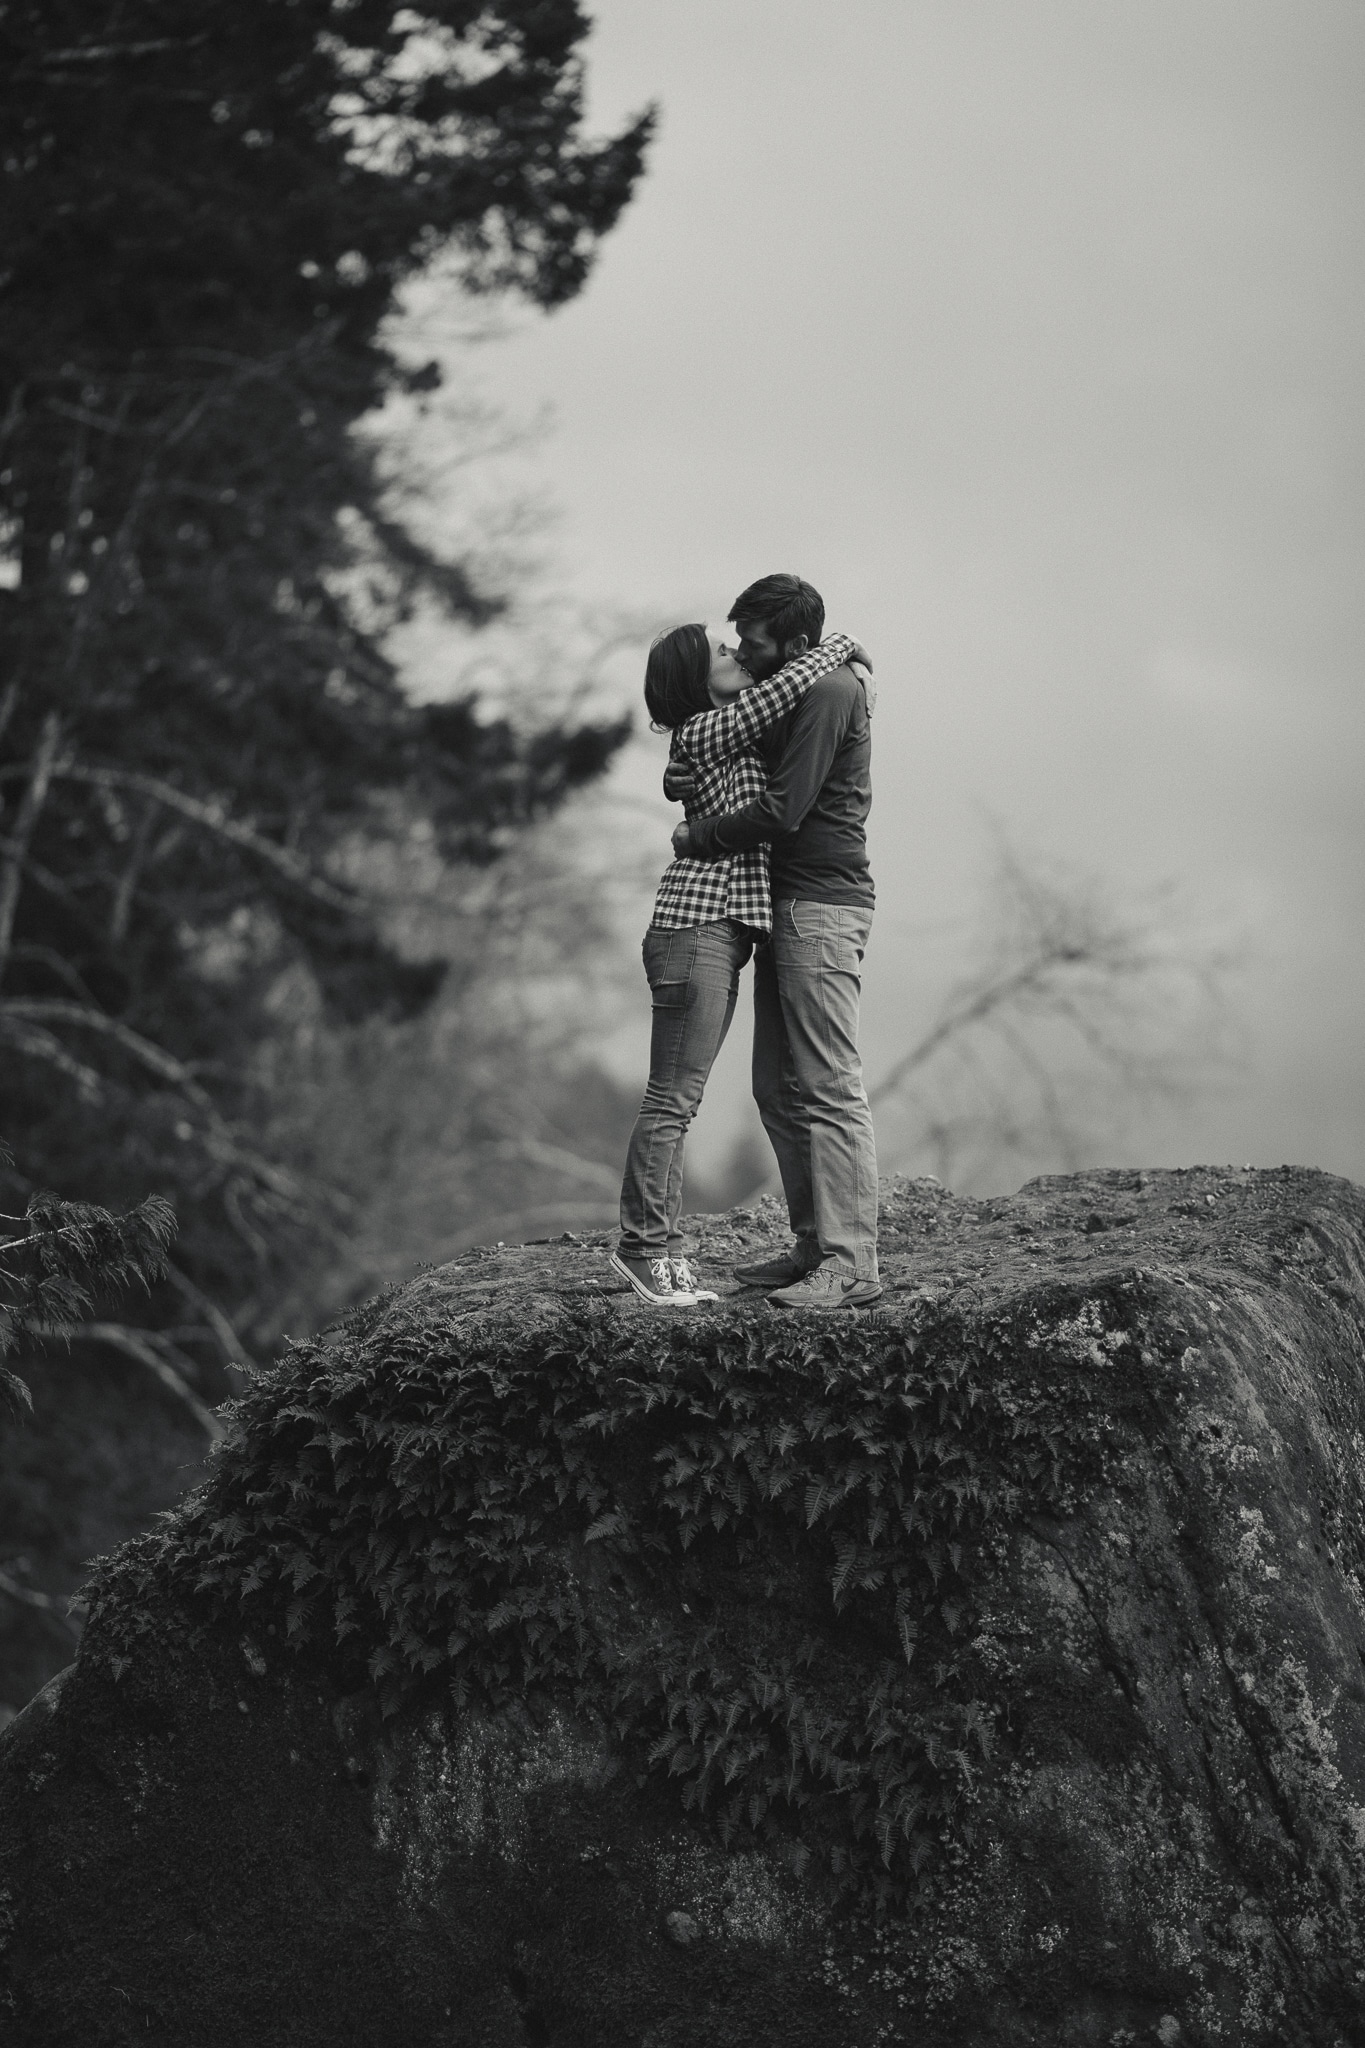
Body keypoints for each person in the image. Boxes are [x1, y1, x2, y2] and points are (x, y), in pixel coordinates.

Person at [611, 622, 868, 1308]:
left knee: (679, 1098)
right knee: (673, 1098)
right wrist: (836, 644)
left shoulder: (719, 735)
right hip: (694, 927)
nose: (733, 653)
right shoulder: (705, 730)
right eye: (719, 652)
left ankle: (659, 1249)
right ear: (698, 681)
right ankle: (643, 1248)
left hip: (720, 933)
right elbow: (783, 689)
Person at [669, 573, 881, 1310]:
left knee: (827, 1086)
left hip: (820, 906)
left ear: (793, 643)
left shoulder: (827, 694)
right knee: (776, 1088)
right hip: (788, 905)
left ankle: (850, 1264)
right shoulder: (803, 684)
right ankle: (814, 1246)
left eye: (755, 643)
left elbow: (785, 807)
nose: (745, 654)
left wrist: (698, 837)